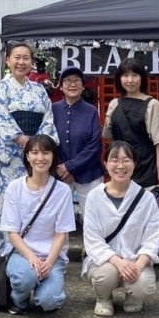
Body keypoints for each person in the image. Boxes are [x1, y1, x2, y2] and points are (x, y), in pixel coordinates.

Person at [0, 42, 57, 253]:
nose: (21, 62)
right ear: (8, 61)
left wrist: (38, 146)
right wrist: (22, 140)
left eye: (26, 58)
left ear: (31, 62)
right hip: (11, 157)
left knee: (35, 203)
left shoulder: (39, 90)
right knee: (8, 204)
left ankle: (35, 251)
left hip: (36, 158)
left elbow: (48, 119)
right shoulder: (0, 88)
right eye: (17, 57)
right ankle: (5, 254)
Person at [82, 141, 159, 317]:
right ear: (105, 163)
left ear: (135, 164)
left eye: (126, 160)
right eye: (114, 160)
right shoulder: (94, 197)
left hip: (135, 260)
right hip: (104, 261)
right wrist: (118, 262)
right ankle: (103, 298)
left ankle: (133, 295)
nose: (120, 166)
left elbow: (153, 238)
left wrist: (138, 265)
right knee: (106, 275)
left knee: (145, 286)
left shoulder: (147, 199)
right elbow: (92, 239)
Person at [0, 134, 76, 314]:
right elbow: (12, 232)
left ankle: (47, 290)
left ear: (53, 157)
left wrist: (48, 262)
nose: (40, 158)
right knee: (25, 277)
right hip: (22, 253)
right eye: (34, 153)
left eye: (46, 153)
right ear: (27, 156)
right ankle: (19, 299)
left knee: (49, 302)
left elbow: (61, 233)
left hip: (52, 256)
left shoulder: (63, 191)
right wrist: (32, 258)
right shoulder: (15, 188)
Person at [102, 60, 159, 252]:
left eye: (134, 75)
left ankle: (153, 247)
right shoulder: (114, 104)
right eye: (125, 75)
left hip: (146, 164)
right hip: (121, 165)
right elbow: (108, 136)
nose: (130, 80)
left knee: (148, 208)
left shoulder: (152, 104)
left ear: (142, 78)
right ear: (119, 79)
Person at [52, 67, 105, 217]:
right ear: (61, 86)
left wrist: (70, 167)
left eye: (76, 81)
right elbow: (49, 140)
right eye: (68, 81)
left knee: (93, 217)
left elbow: (94, 145)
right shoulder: (52, 109)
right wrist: (61, 167)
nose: (72, 84)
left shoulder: (91, 111)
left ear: (82, 86)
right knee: (58, 218)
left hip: (89, 173)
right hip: (59, 174)